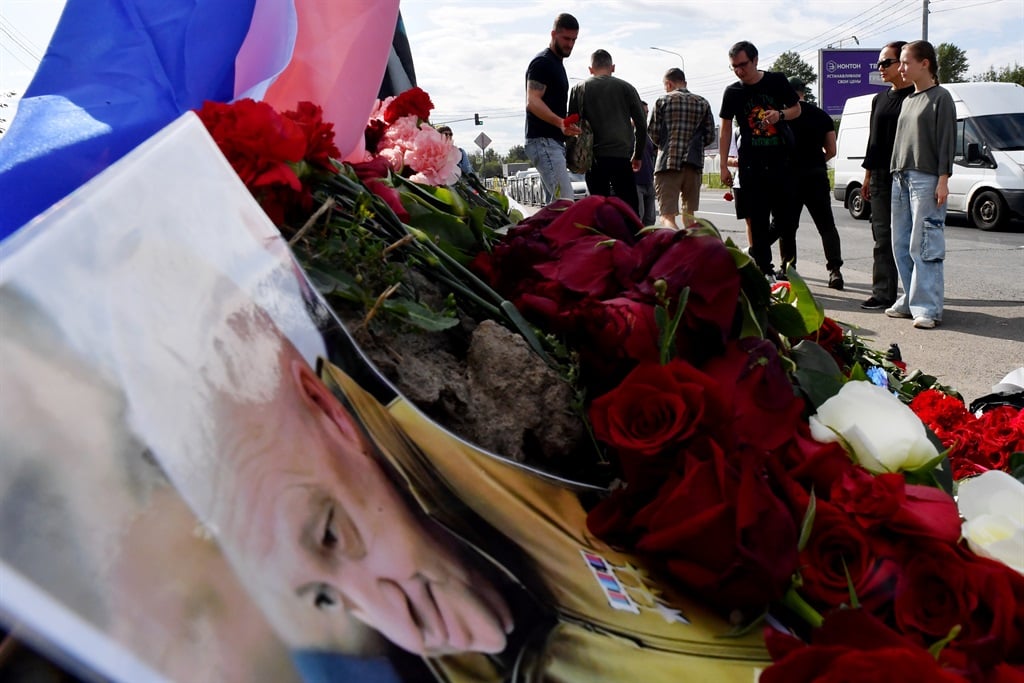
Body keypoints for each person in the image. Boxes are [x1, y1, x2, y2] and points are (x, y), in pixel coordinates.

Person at [886, 40, 956, 330]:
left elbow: (946, 141)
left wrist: (943, 180)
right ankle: (910, 298)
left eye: (905, 62)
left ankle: (927, 307)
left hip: (927, 178)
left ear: (924, 63)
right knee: (900, 243)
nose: (901, 67)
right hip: (900, 177)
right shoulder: (908, 100)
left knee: (924, 243)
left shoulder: (941, 97)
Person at [719, 41, 801, 280]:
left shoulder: (776, 81)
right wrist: (723, 165)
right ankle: (765, 270)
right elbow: (725, 130)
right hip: (750, 164)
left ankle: (767, 258)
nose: (739, 71)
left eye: (743, 65)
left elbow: (797, 109)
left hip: (781, 161)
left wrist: (780, 115)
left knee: (787, 220)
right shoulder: (733, 92)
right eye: (734, 67)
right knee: (757, 220)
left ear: (755, 60)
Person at [859, 41, 913, 310]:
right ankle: (883, 293)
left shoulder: (917, 96)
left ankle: (915, 294)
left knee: (911, 238)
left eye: (885, 62)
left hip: (909, 175)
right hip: (880, 175)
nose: (880, 68)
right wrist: (867, 177)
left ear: (901, 63)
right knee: (882, 237)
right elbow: (873, 141)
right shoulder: (879, 99)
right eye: (878, 63)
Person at [567, 49, 646, 217]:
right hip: (621, 158)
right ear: (613, 67)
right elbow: (641, 125)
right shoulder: (626, 88)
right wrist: (637, 155)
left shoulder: (579, 89)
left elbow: (570, 125)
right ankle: (630, 240)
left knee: (599, 210)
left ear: (590, 69)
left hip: (593, 160)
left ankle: (603, 241)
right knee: (629, 210)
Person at [782, 77, 845, 290]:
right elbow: (832, 151)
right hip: (816, 177)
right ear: (803, 92)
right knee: (826, 226)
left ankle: (788, 269)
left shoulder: (782, 116)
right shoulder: (822, 116)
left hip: (789, 178)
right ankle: (834, 270)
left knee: (788, 227)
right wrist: (817, 161)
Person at [524, 13, 581, 203]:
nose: (570, 44)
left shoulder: (556, 64)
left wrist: (567, 127)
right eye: (566, 38)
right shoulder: (543, 63)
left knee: (555, 208)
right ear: (553, 34)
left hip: (551, 142)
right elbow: (532, 101)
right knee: (565, 202)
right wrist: (560, 122)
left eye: (574, 39)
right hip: (543, 142)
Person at [649, 68, 715, 228]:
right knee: (689, 217)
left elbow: (653, 133)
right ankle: (691, 249)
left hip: (668, 165)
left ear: (669, 83)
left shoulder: (662, 101)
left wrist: (666, 144)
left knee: (666, 217)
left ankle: (676, 249)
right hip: (693, 165)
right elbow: (710, 136)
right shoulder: (702, 102)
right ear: (684, 82)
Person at [633, 101, 657, 226]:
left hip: (649, 181)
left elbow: (654, 153)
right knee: (638, 219)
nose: (646, 115)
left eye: (647, 112)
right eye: (643, 112)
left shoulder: (648, 134)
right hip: (635, 183)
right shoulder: (628, 133)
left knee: (650, 220)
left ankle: (649, 243)